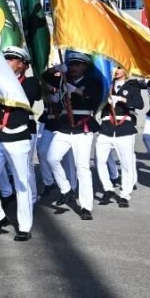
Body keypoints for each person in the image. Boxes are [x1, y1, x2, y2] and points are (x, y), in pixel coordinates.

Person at [0, 47, 41, 241]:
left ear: (22, 65)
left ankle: (24, 226)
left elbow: (21, 96)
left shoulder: (30, 83)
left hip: (18, 137)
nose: (7, 61)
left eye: (12, 59)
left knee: (22, 183)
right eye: (5, 58)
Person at [42, 51, 102, 220]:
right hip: (64, 126)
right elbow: (45, 76)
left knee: (82, 167)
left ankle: (86, 206)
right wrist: (56, 68)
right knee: (51, 158)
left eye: (78, 64)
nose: (74, 67)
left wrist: (77, 91)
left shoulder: (93, 82)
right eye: (71, 64)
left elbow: (94, 101)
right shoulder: (63, 79)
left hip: (82, 127)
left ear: (85, 66)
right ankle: (66, 189)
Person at [96, 67, 143, 207]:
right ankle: (108, 188)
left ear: (125, 70)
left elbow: (139, 104)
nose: (116, 70)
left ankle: (125, 194)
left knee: (126, 163)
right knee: (100, 159)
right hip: (106, 127)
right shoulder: (106, 85)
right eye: (114, 67)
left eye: (119, 67)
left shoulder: (132, 87)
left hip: (124, 128)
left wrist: (122, 99)